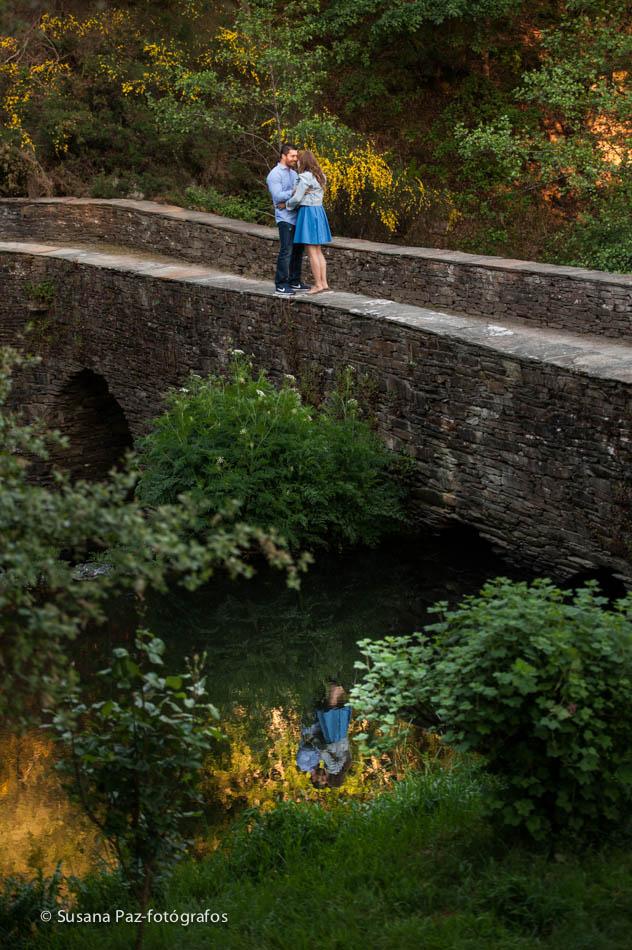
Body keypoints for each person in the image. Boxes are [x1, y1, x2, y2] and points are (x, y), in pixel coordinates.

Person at [266, 144, 311, 297]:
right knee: (286, 251)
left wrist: (294, 196)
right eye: (292, 156)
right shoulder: (274, 175)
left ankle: (294, 281)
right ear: (284, 156)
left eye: (296, 156)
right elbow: (278, 196)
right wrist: (294, 192)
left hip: (296, 216)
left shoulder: (293, 174)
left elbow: (299, 196)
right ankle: (281, 284)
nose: (295, 159)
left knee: (298, 251)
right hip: (284, 218)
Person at [286, 150, 332, 294]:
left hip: (308, 213)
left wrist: (287, 205)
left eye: (298, 160)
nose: (297, 162)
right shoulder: (320, 176)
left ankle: (317, 284)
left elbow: (297, 198)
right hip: (319, 211)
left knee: (312, 251)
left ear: (303, 161)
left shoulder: (305, 177)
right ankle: (324, 283)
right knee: (318, 250)